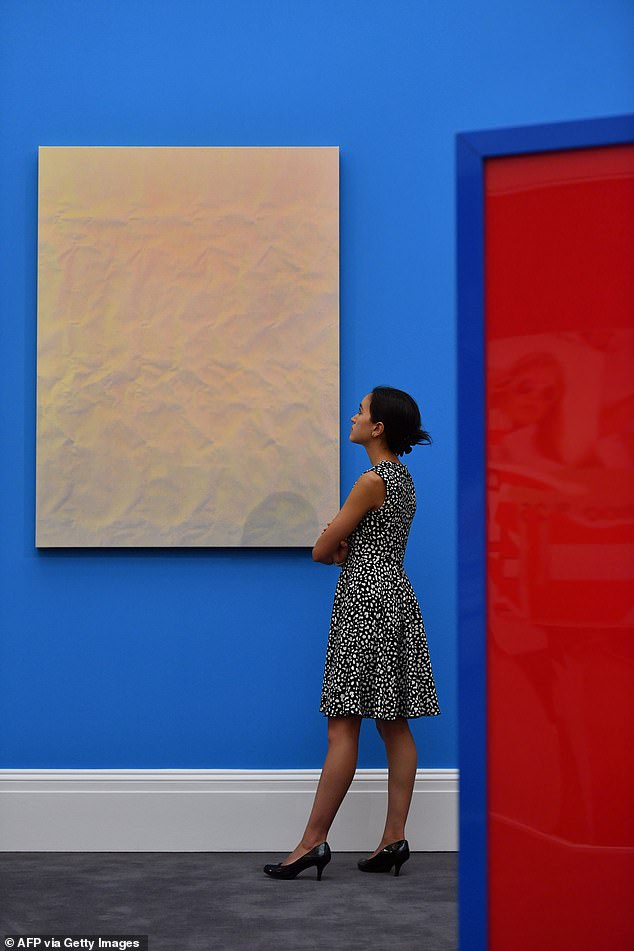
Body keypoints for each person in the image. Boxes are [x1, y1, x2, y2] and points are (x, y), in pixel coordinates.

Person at [263, 386, 441, 881]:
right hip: (397, 598)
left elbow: (321, 549)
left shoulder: (369, 480)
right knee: (395, 724)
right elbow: (366, 539)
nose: (354, 416)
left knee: (342, 726)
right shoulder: (402, 479)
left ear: (377, 427)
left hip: (364, 603)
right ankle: (393, 837)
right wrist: (347, 543)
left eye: (361, 411)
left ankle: (311, 843)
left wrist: (337, 543)